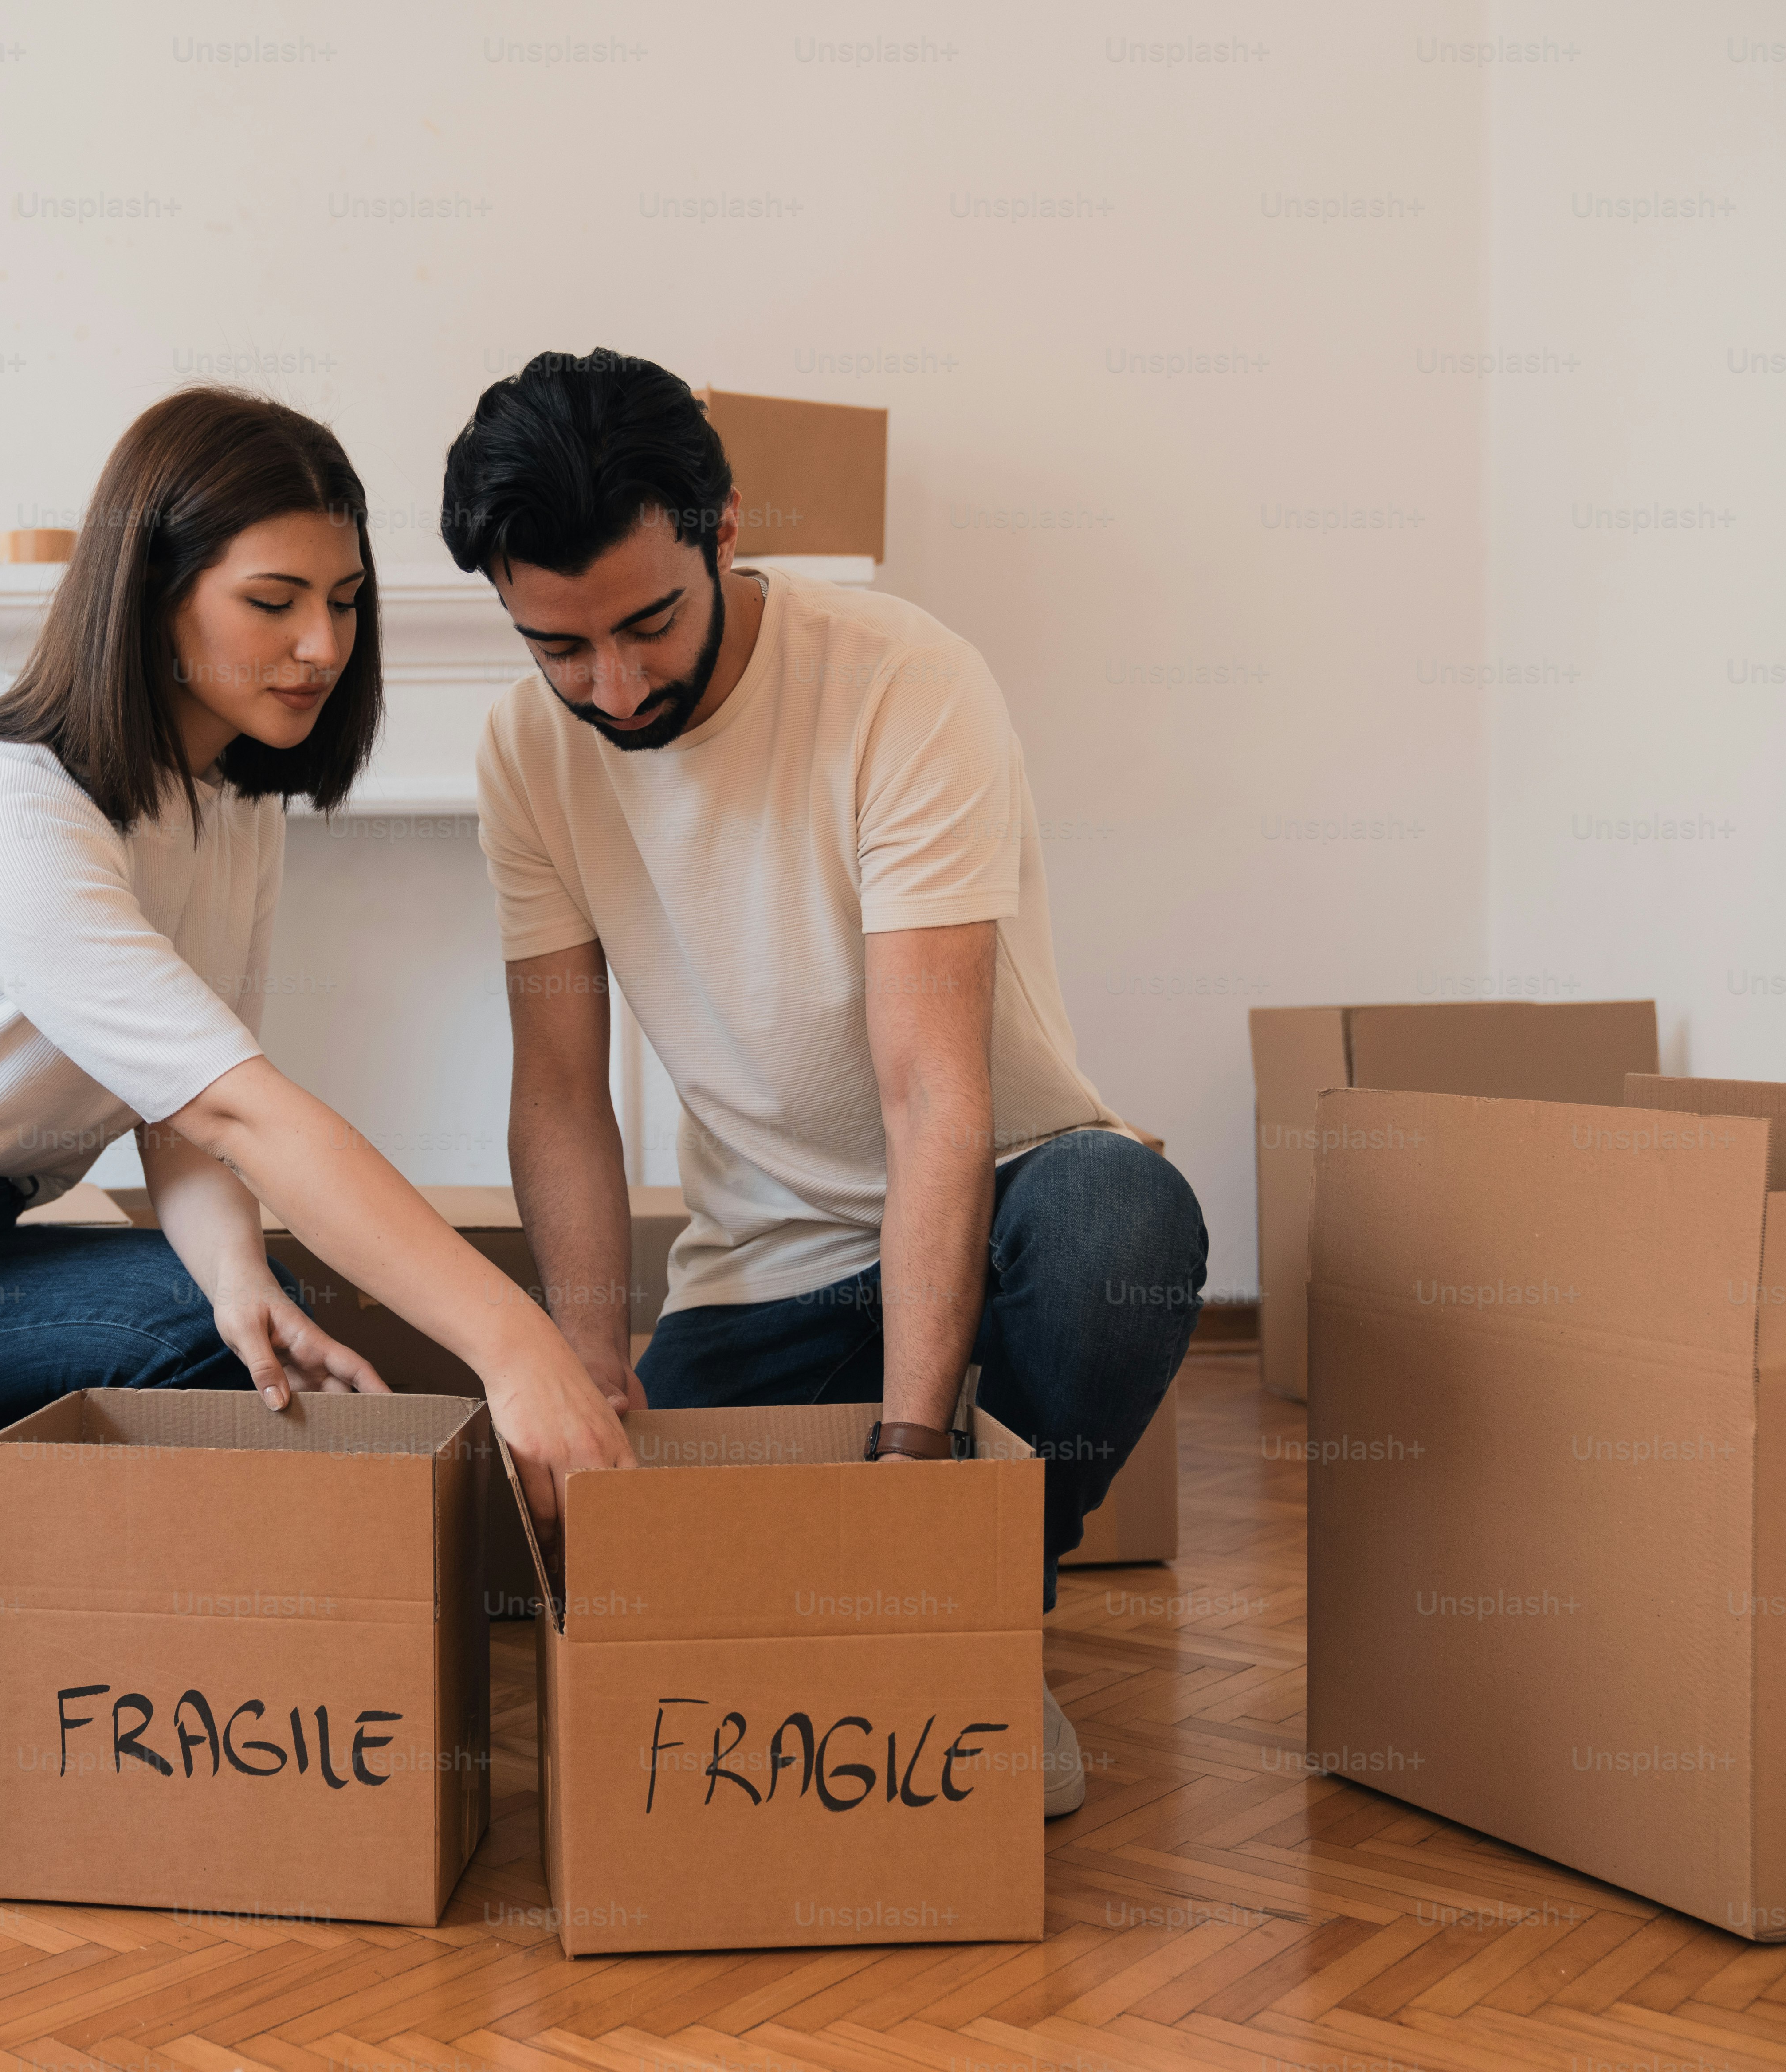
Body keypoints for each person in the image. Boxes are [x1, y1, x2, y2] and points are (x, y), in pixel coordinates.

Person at [0, 388, 631, 1809]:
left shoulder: (231, 803)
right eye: (275, 601)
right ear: (153, 594)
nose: (322, 646)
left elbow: (177, 1111)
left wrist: (235, 1280)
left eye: (346, 603)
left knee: (251, 1355)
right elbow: (245, 1111)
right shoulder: (8, 815)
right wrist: (521, 1349)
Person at [442, 349, 1210, 1818]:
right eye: (559, 649)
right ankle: (900, 1596)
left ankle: (983, 1620)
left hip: (1002, 1208)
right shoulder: (524, 754)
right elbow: (560, 1092)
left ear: (726, 529)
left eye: (649, 624)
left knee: (1127, 1220)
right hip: (768, 1272)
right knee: (677, 1596)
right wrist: (591, 1351)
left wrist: (916, 1466)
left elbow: (931, 1089)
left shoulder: (901, 683)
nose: (615, 686)